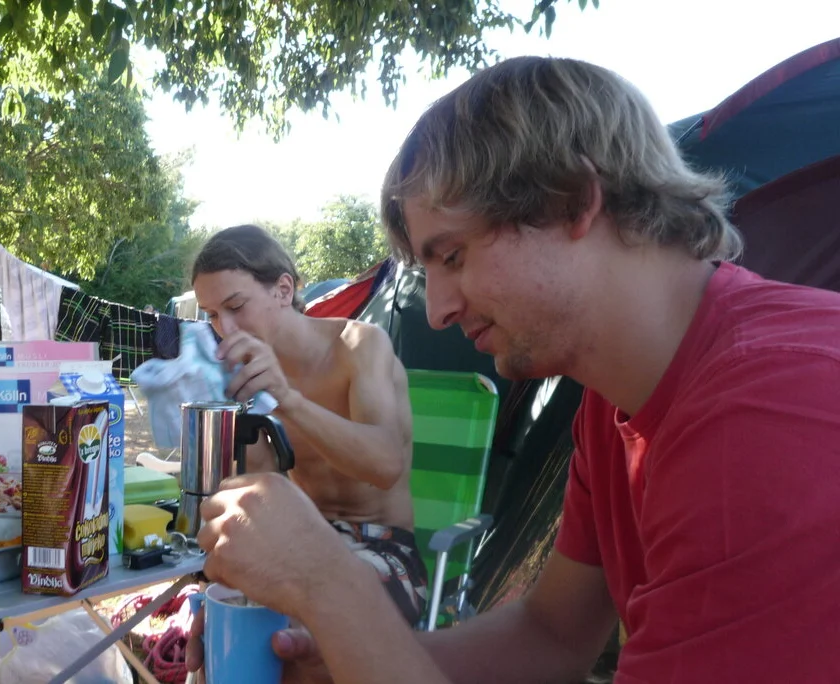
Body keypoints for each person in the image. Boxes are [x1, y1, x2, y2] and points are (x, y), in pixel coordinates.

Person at [189, 55, 840, 683]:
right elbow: (550, 636)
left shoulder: (768, 414)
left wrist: (328, 587)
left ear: (572, 201)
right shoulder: (613, 405)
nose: (438, 311)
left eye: (452, 256)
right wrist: (356, 647)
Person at [190, 224, 429, 625]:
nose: (223, 329)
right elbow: (262, 489)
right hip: (306, 542)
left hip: (386, 549)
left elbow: (385, 466)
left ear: (284, 290)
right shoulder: (248, 375)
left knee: (299, 620)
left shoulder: (358, 345)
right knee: (220, 612)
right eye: (213, 315)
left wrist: (287, 400)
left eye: (235, 306)